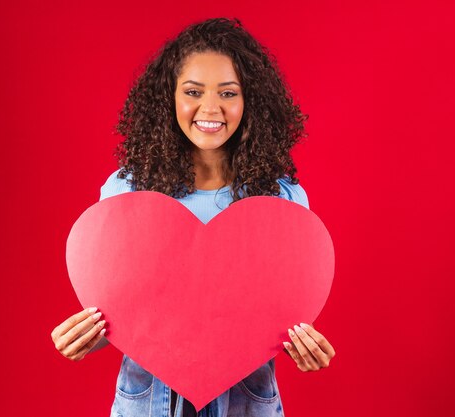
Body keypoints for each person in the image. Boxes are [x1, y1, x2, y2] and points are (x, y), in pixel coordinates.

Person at [51, 17, 335, 417]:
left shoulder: (281, 201)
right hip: (147, 405)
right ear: (169, 98)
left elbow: (278, 319)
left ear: (250, 101)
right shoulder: (127, 193)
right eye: (193, 91)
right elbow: (124, 316)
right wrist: (83, 337)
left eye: (228, 93)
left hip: (246, 405)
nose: (210, 108)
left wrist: (303, 346)